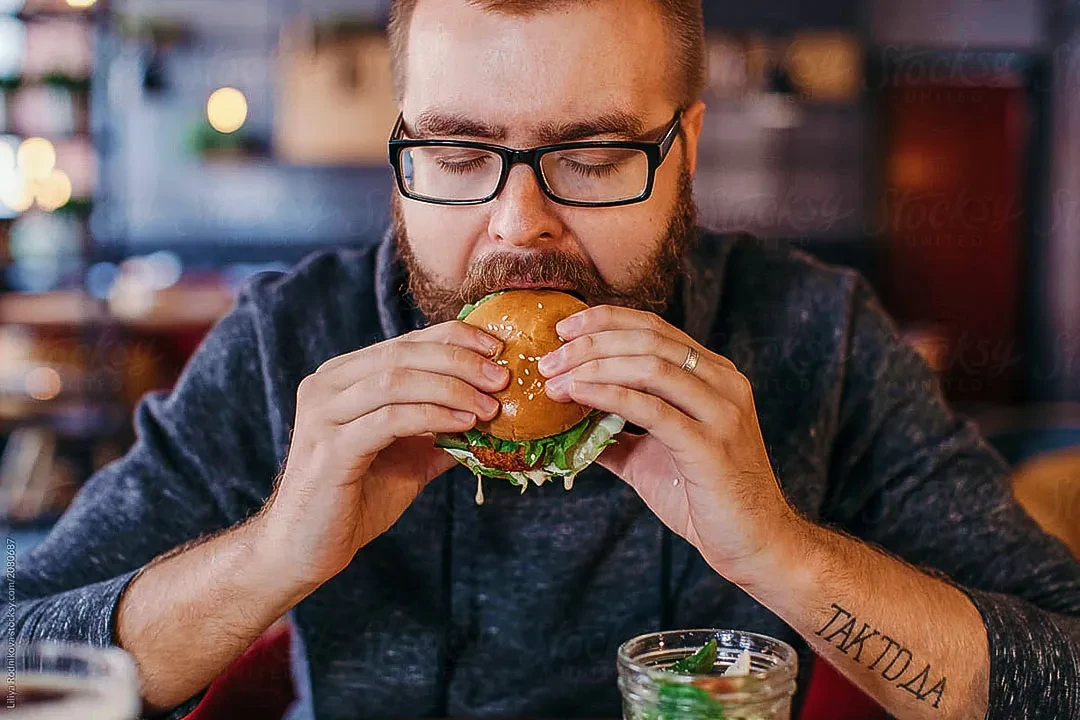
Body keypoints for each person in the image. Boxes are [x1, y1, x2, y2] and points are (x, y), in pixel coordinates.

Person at [9, 1, 1080, 718]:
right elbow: (18, 657)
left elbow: (1063, 673)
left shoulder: (820, 334)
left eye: (595, 155)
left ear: (686, 153)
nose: (519, 226)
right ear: (401, 154)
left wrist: (780, 552)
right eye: (458, 154)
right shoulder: (290, 339)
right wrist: (278, 551)